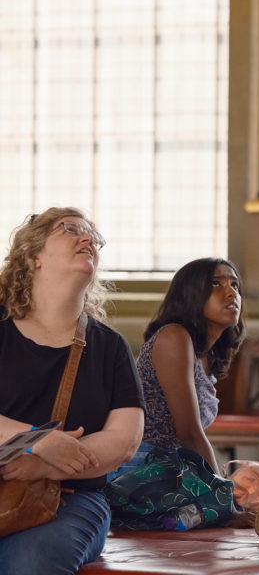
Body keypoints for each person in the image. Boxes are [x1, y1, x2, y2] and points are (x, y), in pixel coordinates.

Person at [0, 208, 144, 574]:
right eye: (71, 230)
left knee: (31, 562)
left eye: (94, 237)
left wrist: (43, 466)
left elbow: (124, 440)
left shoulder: (109, 346)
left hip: (72, 497)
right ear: (34, 257)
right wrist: (37, 440)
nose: (88, 240)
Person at [111, 258, 245, 480]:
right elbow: (190, 434)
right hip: (136, 470)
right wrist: (222, 494)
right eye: (215, 284)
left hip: (170, 466)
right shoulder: (173, 337)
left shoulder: (205, 354)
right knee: (238, 508)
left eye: (234, 285)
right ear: (190, 294)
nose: (231, 293)